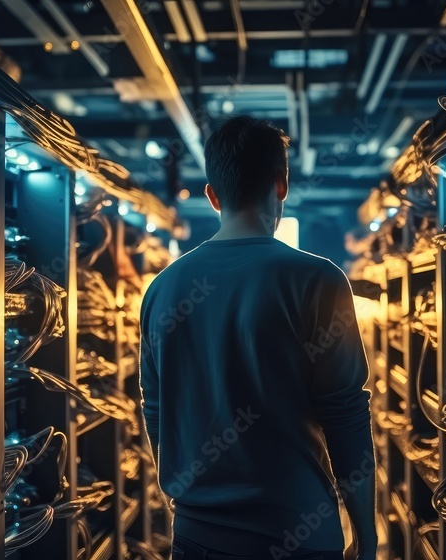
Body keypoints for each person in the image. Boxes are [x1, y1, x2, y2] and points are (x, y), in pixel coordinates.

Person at [139, 116, 376, 560]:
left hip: (195, 535)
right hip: (299, 529)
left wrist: (188, 497)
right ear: (281, 184)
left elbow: (157, 411)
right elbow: (345, 417)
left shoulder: (163, 289)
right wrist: (366, 532)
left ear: (211, 195)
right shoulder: (317, 280)